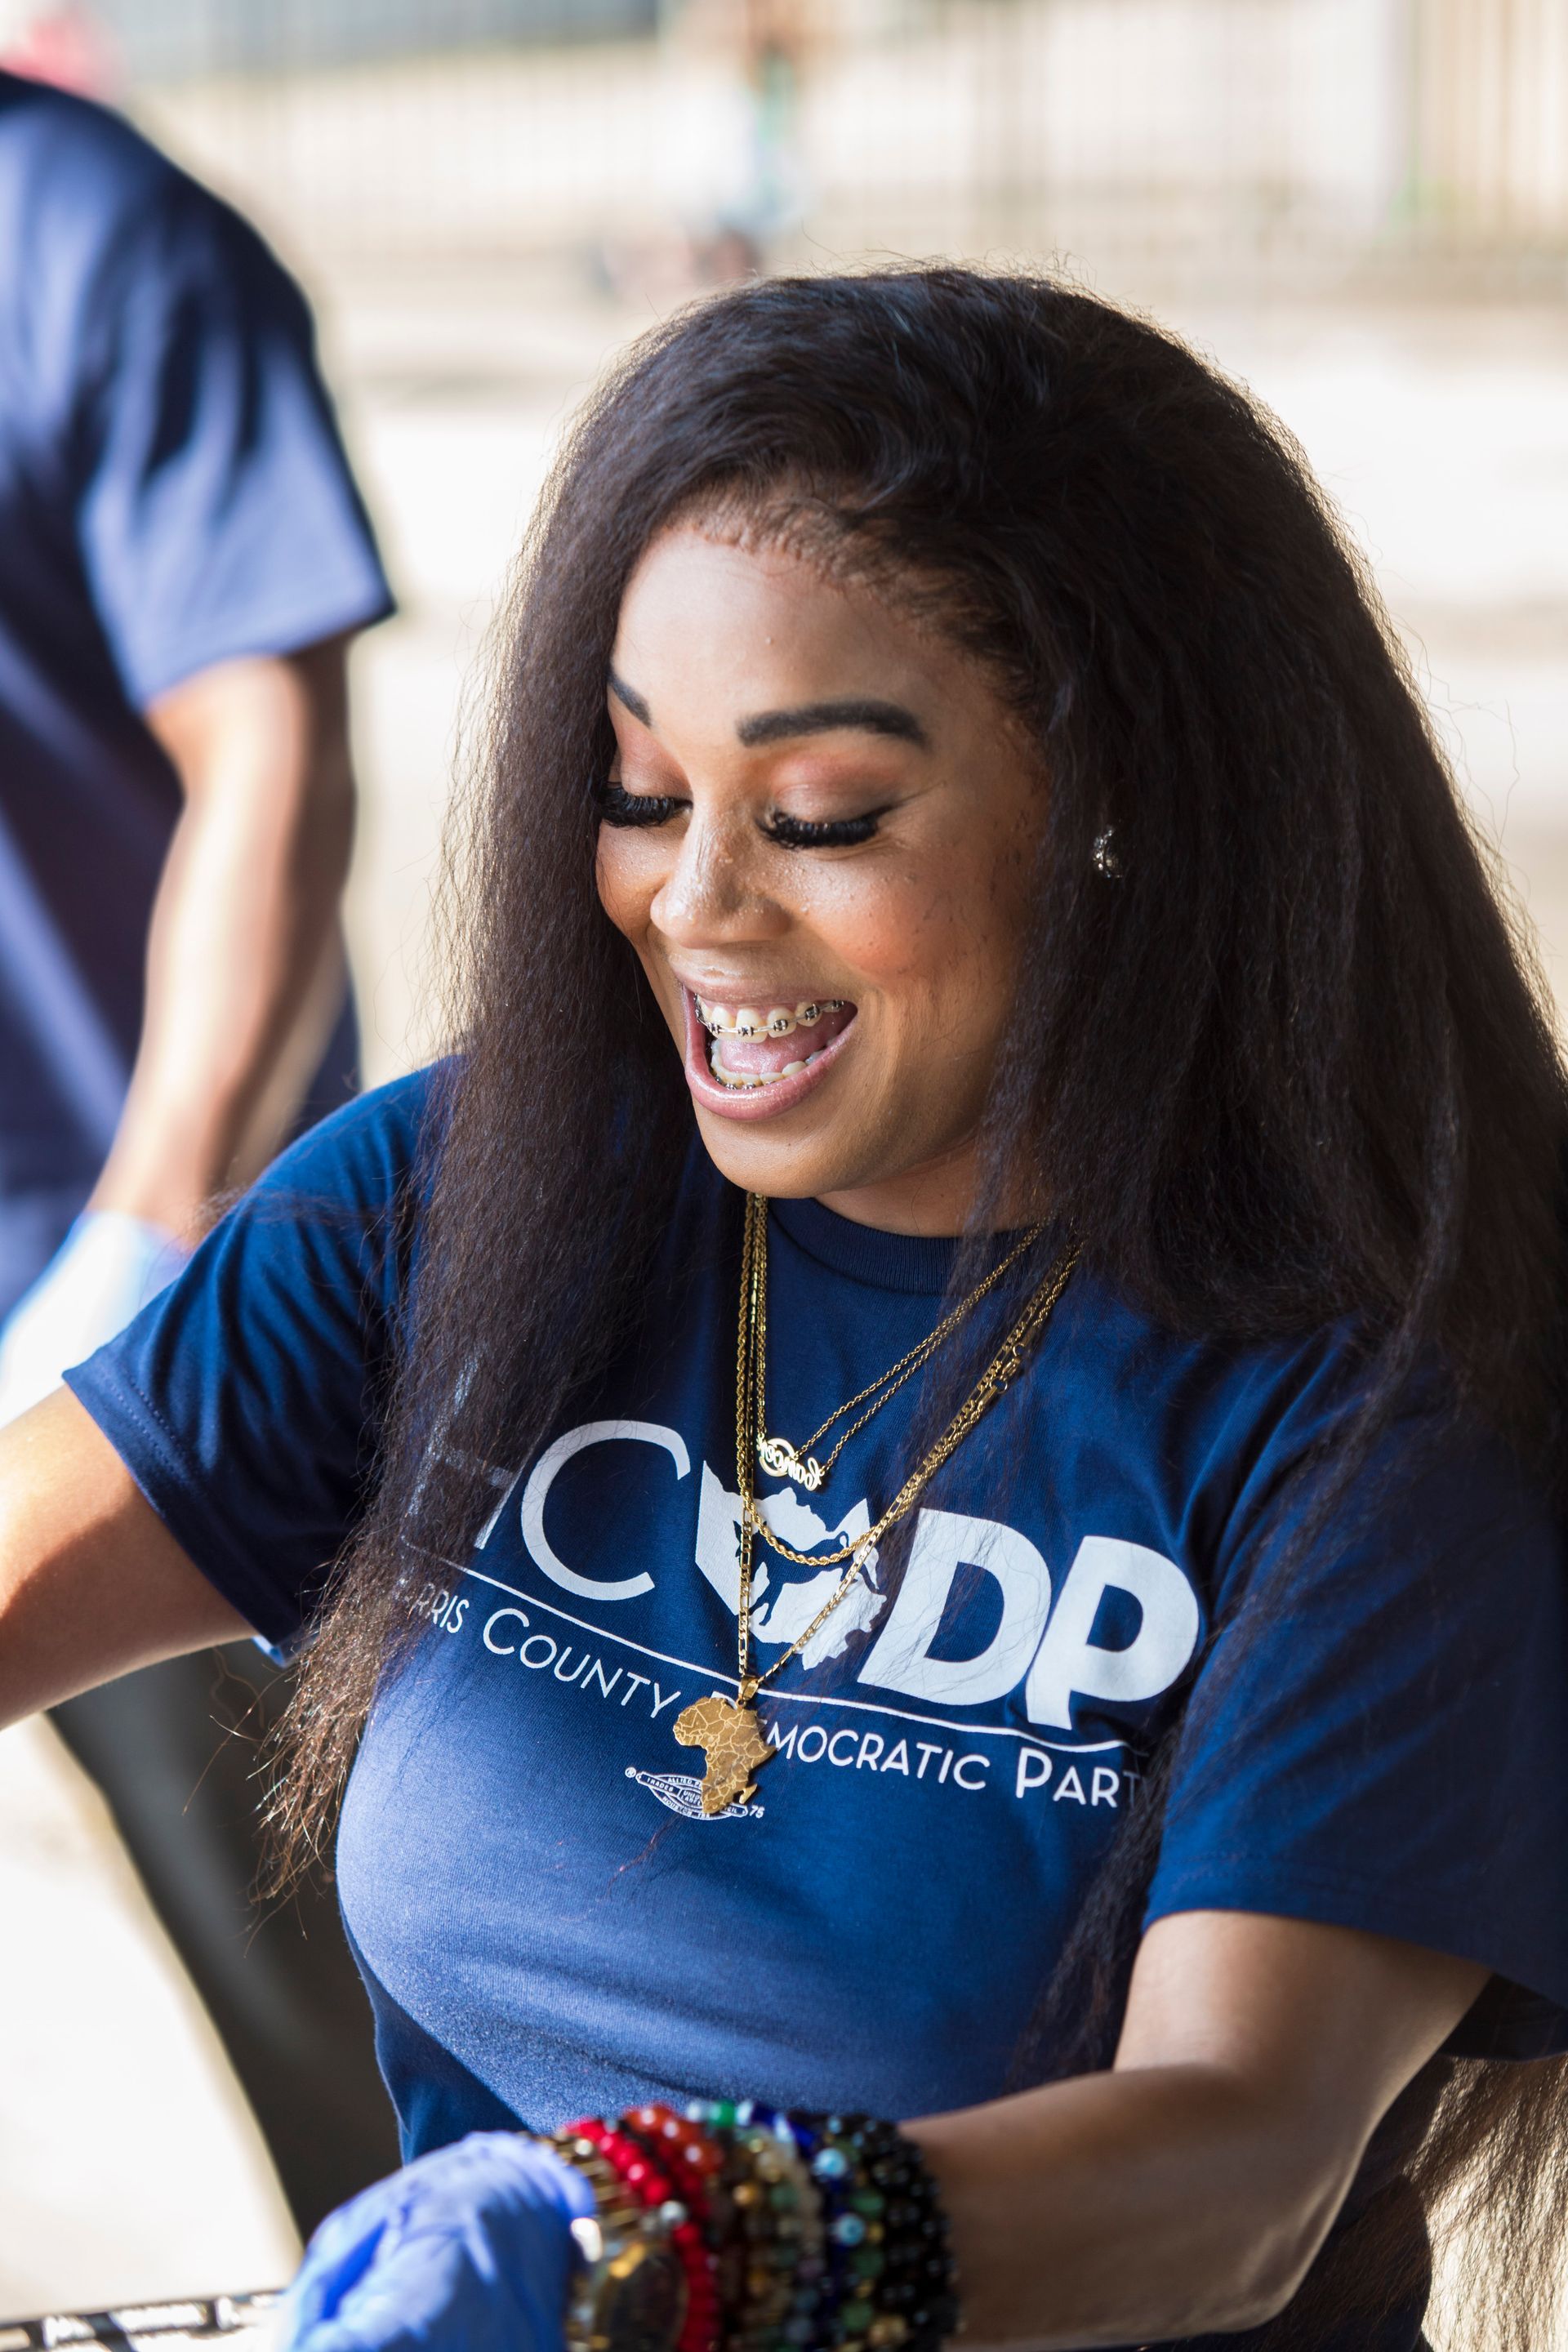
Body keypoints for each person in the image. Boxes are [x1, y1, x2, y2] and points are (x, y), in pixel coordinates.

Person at [2, 265, 1567, 2352]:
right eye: (641, 792)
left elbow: (1232, 2172)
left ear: (1119, 805)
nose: (695, 903)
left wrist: (662, 2245)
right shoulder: (472, 1193)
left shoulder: (1374, 1403)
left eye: (818, 816)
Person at [0, 69, 399, 2228]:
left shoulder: (89, 242)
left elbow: (273, 752)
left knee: (340, 1973)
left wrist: (152, 1242)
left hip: (114, 1323)